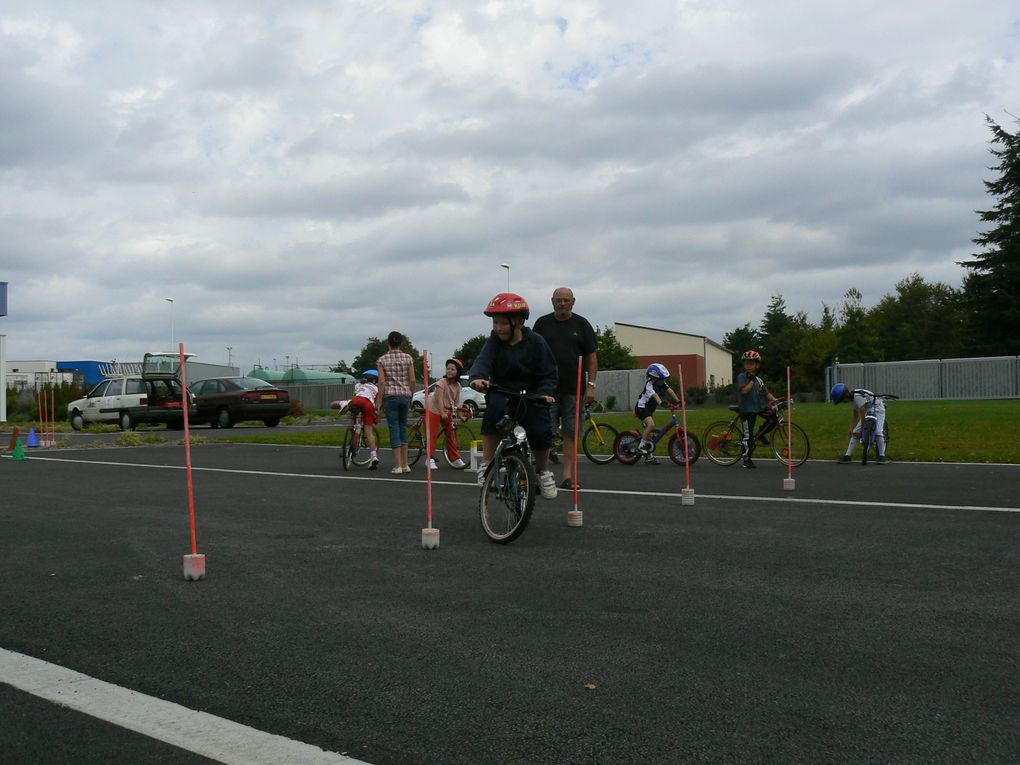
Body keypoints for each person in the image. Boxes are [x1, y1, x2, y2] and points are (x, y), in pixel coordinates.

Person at [468, 293, 559, 500]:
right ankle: (487, 464)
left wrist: (545, 393)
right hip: (503, 391)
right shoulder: (494, 342)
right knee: (494, 412)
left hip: (532, 395)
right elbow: (483, 361)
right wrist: (478, 378)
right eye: (495, 322)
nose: (498, 327)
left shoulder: (536, 342)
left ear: (518, 321)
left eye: (502, 323)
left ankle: (543, 471)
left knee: (540, 429)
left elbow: (549, 372)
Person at [533, 287, 598, 489]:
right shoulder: (542, 324)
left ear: (573, 302)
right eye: (558, 300)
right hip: (546, 389)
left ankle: (568, 477)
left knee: (570, 433)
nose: (562, 303)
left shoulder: (582, 324)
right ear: (552, 301)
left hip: (574, 389)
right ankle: (539, 475)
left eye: (566, 300)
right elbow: (532, 352)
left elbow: (592, 357)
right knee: (542, 433)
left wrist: (591, 386)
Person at [377, 331, 417, 474]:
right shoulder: (408, 358)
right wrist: (411, 395)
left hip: (390, 396)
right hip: (405, 395)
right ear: (401, 343)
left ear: (388, 343)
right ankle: (406, 464)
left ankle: (398, 465)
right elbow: (412, 380)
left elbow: (381, 382)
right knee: (403, 427)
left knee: (393, 428)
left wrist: (379, 400)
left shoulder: (382, 360)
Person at [330, 369, 381, 469]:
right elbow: (377, 404)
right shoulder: (375, 388)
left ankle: (343, 405)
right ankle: (373, 456)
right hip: (369, 404)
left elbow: (356, 395)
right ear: (374, 380)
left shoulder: (358, 385)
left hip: (357, 400)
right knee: (368, 430)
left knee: (346, 407)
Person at [736, 350, 777, 468]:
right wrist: (751, 380)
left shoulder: (759, 380)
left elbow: (766, 394)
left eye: (751, 364)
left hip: (759, 407)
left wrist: (776, 401)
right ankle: (746, 459)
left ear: (757, 365)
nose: (748, 366)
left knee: (773, 418)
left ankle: (761, 434)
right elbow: (744, 391)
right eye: (746, 364)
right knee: (748, 435)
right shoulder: (742, 377)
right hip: (747, 410)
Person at [633, 362, 680, 464]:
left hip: (649, 409)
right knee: (651, 425)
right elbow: (655, 396)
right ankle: (640, 446)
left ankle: (649, 457)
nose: (663, 381)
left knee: (649, 431)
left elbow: (669, 390)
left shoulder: (661, 383)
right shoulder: (649, 385)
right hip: (642, 408)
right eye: (661, 379)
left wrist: (678, 400)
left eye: (664, 379)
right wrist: (661, 403)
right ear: (654, 378)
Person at [425, 357, 468, 470]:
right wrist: (441, 413)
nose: (449, 371)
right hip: (435, 410)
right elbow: (438, 399)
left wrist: (461, 416)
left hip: (446, 411)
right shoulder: (441, 383)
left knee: (451, 434)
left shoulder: (458, 386)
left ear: (458, 372)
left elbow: (458, 402)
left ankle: (455, 458)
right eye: (448, 369)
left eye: (452, 369)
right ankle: (429, 458)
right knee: (432, 434)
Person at [831, 382, 889, 464]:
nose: (843, 402)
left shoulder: (857, 397)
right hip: (867, 409)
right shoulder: (853, 398)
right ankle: (848, 455)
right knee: (855, 433)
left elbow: (863, 417)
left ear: (846, 395)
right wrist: (851, 428)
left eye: (842, 400)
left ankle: (882, 456)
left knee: (878, 432)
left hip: (877, 408)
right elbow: (855, 415)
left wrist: (862, 432)